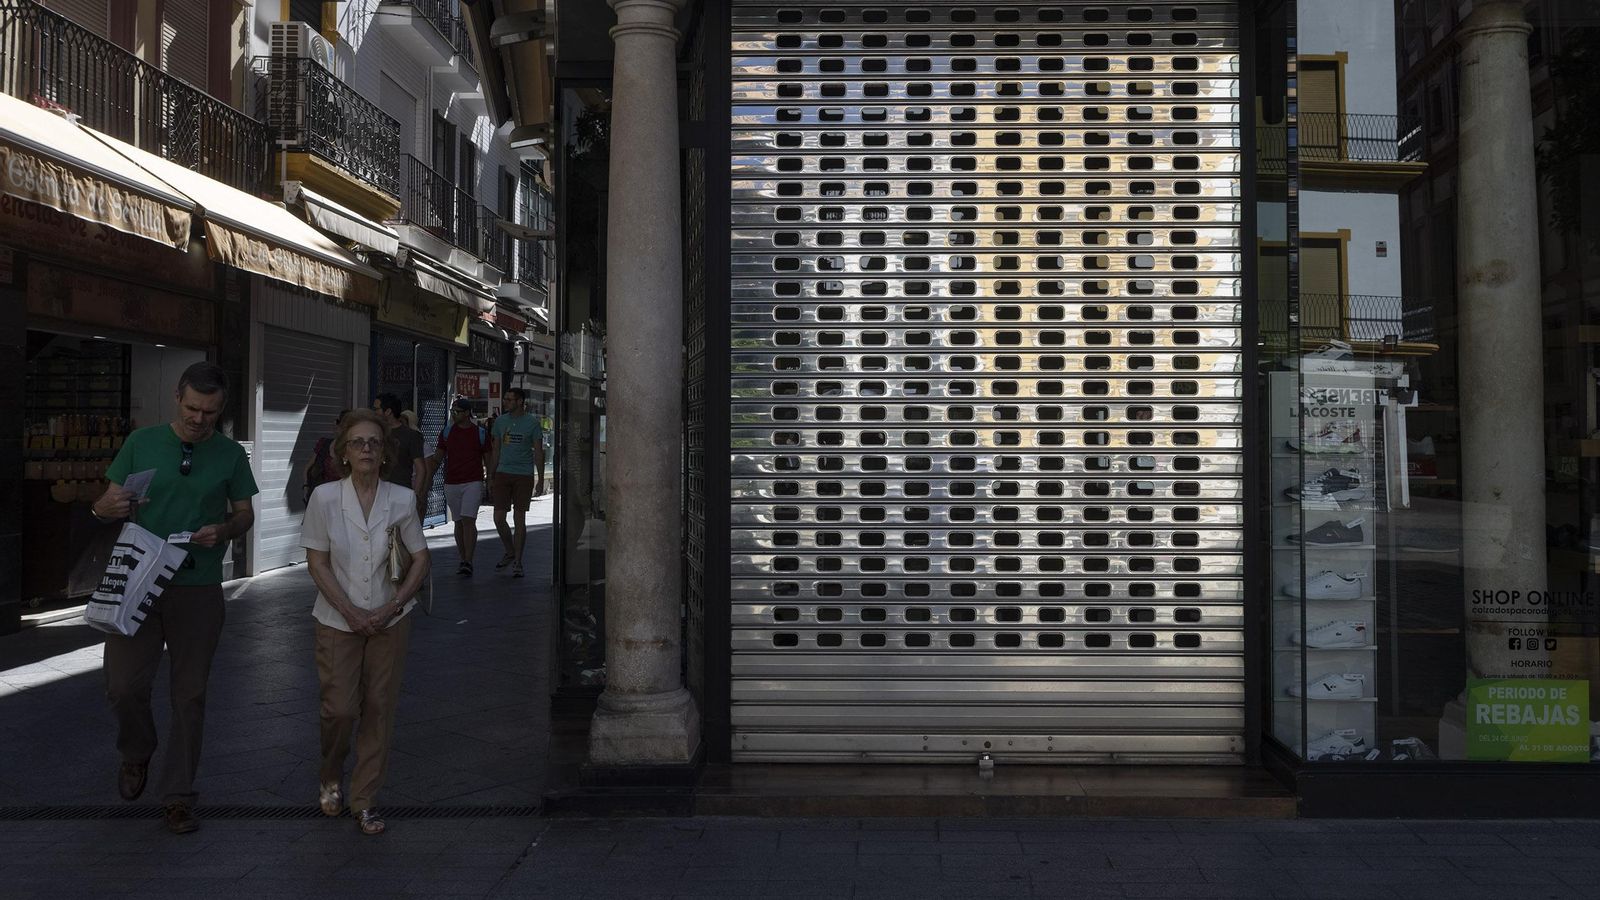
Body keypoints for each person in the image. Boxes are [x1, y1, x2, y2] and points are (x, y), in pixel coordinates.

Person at [90, 362, 259, 835]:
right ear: (176, 399)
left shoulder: (229, 455)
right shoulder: (141, 443)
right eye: (191, 408)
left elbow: (244, 514)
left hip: (198, 585)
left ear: (221, 409)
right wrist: (102, 508)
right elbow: (108, 502)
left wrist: (225, 528)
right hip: (137, 579)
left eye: (209, 412)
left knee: (190, 695)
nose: (198, 419)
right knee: (122, 685)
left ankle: (179, 795)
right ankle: (136, 750)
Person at [300, 408, 430, 836]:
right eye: (358, 442)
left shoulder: (401, 499)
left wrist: (390, 609)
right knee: (338, 710)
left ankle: (365, 799)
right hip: (337, 620)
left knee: (378, 709)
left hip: (390, 621)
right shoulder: (324, 499)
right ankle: (331, 773)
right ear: (343, 452)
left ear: (385, 451)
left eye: (374, 442)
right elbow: (316, 562)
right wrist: (352, 612)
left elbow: (421, 558)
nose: (367, 449)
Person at [429, 398, 490, 576]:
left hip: (473, 481)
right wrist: (428, 476)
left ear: (466, 413)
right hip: (452, 482)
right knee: (458, 521)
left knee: (468, 519)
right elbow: (438, 457)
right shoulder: (447, 433)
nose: (454, 414)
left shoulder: (480, 433)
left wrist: (491, 478)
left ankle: (468, 560)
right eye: (452, 411)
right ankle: (462, 558)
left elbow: (488, 456)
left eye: (457, 411)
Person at [488, 387, 543, 578]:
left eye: (510, 400)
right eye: (505, 399)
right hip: (503, 472)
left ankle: (518, 561)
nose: (506, 402)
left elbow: (538, 452)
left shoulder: (532, 423)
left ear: (520, 402)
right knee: (498, 518)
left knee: (519, 518)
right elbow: (496, 449)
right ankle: (509, 550)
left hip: (523, 475)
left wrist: (541, 478)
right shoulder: (500, 422)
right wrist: (490, 474)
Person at [373, 393, 426, 519]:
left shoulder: (411, 436)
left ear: (388, 411)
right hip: (376, 493)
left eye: (376, 409)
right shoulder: (374, 433)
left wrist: (416, 496)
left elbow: (421, 469)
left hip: (401, 492)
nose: (374, 412)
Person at [301, 410, 349, 504]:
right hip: (318, 497)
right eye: (343, 427)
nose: (344, 431)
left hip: (339, 500)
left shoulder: (351, 450)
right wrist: (306, 486)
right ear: (337, 424)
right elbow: (308, 468)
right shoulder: (324, 443)